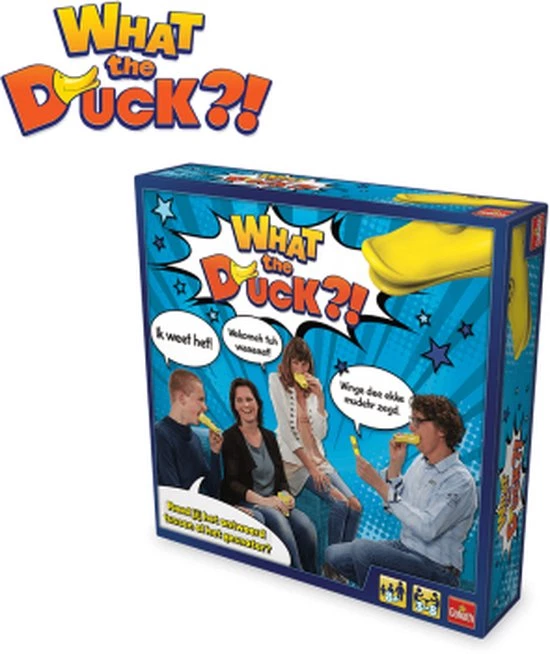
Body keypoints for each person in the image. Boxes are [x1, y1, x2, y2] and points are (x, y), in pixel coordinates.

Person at [325, 395, 477, 588]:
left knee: (363, 549)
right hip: (405, 548)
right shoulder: (420, 463)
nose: (411, 428)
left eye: (418, 421)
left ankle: (374, 598)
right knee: (333, 554)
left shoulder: (460, 481)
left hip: (438, 568)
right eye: (412, 420)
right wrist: (395, 466)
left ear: (442, 429)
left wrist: (379, 484)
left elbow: (428, 529)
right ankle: (386, 593)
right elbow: (394, 507)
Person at [269, 337, 362, 547]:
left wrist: (320, 398)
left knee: (355, 506)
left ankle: (341, 559)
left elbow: (320, 433)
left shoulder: (312, 389)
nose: (300, 369)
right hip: (295, 464)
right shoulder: (277, 382)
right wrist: (312, 469)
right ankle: (332, 559)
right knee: (340, 503)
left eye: (304, 364)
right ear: (288, 363)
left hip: (318, 460)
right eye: (295, 363)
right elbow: (287, 432)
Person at [221, 378, 318, 573]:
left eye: (249, 399)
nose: (245, 405)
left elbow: (280, 478)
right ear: (234, 406)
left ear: (258, 403)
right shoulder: (230, 437)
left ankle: (314, 576)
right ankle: (297, 575)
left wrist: (286, 495)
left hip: (275, 500)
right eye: (239, 400)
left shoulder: (269, 437)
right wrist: (264, 501)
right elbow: (232, 483)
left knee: (306, 526)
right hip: (250, 502)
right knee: (279, 522)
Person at [155, 369, 223, 497]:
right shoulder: (160, 435)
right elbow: (172, 495)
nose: (205, 407)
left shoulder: (195, 439)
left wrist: (215, 452)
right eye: (200, 400)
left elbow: (212, 491)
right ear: (182, 399)